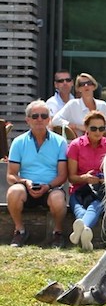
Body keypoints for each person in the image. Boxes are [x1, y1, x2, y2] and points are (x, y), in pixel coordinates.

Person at [6, 100, 68, 247]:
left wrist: (48, 186)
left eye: (43, 115)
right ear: (27, 120)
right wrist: (25, 182)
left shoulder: (60, 142)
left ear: (49, 119)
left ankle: (57, 233)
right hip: (25, 189)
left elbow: (62, 176)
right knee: (13, 191)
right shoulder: (18, 142)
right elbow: (11, 175)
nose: (39, 119)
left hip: (51, 188)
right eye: (35, 116)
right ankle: (20, 231)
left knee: (59, 199)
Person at [67, 111, 106, 251]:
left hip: (100, 191)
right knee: (78, 206)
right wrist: (84, 178)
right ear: (86, 128)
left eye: (101, 128)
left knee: (96, 204)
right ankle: (85, 230)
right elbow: (71, 177)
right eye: (94, 128)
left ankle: (81, 230)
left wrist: (103, 179)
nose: (98, 132)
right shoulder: (76, 145)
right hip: (79, 190)